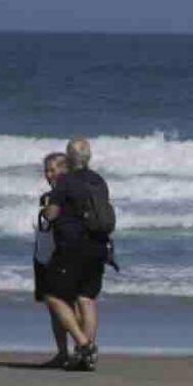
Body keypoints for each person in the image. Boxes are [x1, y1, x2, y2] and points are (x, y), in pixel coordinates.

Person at [39, 137, 114, 371]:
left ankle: (83, 345)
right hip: (99, 246)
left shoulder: (66, 181)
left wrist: (45, 209)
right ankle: (86, 356)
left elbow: (51, 214)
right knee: (86, 298)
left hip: (73, 247)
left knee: (53, 295)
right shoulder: (99, 180)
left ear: (69, 158)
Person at [32, 151, 72, 367]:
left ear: (65, 170)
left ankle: (80, 347)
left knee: (65, 306)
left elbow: (54, 221)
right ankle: (62, 352)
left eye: (53, 170)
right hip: (44, 255)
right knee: (53, 308)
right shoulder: (47, 196)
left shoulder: (65, 196)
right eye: (46, 170)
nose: (49, 174)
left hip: (61, 256)